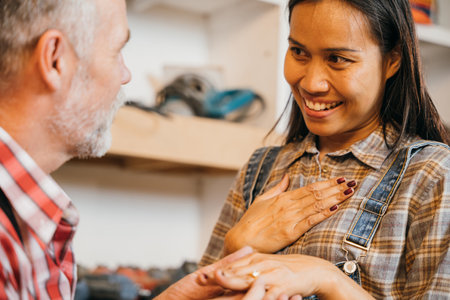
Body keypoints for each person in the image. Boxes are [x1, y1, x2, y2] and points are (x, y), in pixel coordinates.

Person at [0, 0, 355, 299]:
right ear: (55, 59)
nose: (126, 76)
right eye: (116, 52)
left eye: (339, 58)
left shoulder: (32, 219)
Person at [199, 0, 449, 299]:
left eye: (338, 59)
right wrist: (235, 246)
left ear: (392, 60)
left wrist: (328, 278)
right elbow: (199, 291)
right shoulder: (261, 166)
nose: (312, 83)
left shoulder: (433, 173)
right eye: (299, 52)